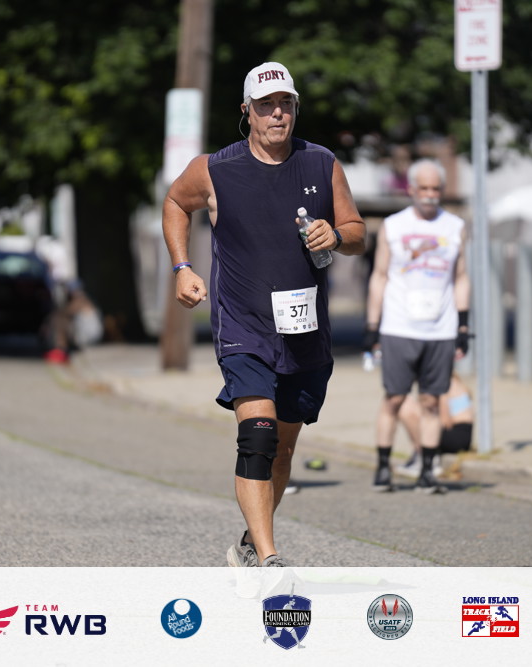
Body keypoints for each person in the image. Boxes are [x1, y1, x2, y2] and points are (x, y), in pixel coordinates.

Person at [162, 61, 366, 568]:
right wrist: (182, 267)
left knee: (283, 452)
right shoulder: (215, 169)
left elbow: (357, 232)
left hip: (304, 331)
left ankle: (251, 543)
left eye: (285, 104)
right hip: (243, 326)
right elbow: (175, 203)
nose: (277, 114)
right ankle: (271, 558)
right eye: (266, 105)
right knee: (258, 436)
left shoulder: (321, 163)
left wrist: (336, 235)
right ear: (247, 111)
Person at [364, 158, 470, 494]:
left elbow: (461, 277)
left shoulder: (454, 226)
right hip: (399, 325)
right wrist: (372, 325)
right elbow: (379, 276)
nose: (430, 194)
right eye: (423, 188)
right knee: (394, 399)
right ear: (411, 189)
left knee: (431, 401)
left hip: (440, 328)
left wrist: (463, 325)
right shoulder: (394, 226)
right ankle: (383, 466)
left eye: (435, 188)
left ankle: (427, 471)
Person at [395, 372, 474, 478]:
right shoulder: (454, 382)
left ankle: (427, 458)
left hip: (455, 436)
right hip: (463, 436)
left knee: (406, 406)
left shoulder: (445, 384)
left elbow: (445, 422)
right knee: (421, 413)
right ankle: (422, 456)